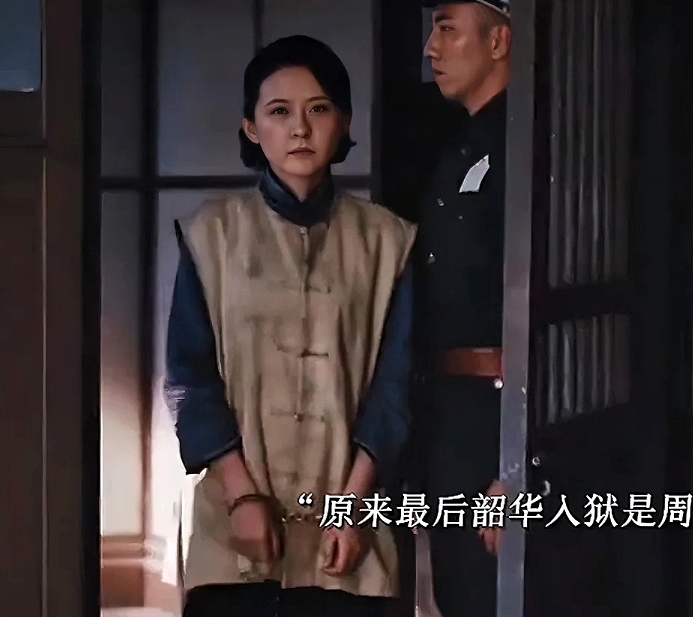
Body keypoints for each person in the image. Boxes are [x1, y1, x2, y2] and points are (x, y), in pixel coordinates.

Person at [163, 35, 416, 617]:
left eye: (318, 108)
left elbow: (395, 387)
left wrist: (352, 508)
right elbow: (190, 378)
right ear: (251, 128)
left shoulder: (388, 241)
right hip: (236, 526)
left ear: (343, 121)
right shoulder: (211, 234)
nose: (300, 128)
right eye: (279, 111)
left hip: (350, 529)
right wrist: (241, 496)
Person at [410, 2, 511, 616]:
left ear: (498, 41)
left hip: (502, 417)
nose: (431, 47)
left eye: (447, 28)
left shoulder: (526, 144)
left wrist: (517, 466)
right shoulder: (457, 145)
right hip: (451, 418)